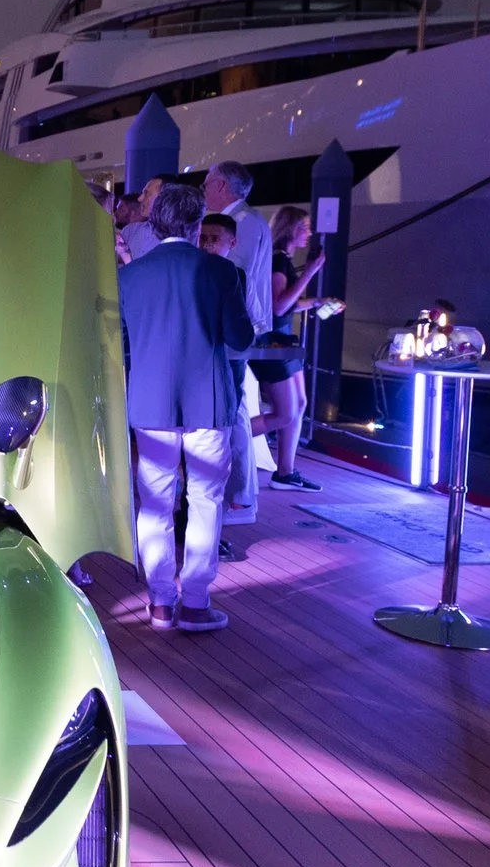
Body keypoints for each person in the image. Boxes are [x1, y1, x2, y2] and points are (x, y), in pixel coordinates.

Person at [116, 182, 254, 633]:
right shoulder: (221, 272)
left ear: (154, 225)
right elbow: (240, 339)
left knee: (153, 503)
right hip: (207, 401)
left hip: (149, 400)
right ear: (198, 224)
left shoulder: (130, 277)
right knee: (205, 500)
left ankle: (158, 602)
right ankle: (195, 602)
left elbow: (120, 343)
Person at [204, 161, 275, 541]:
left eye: (206, 184)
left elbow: (234, 272)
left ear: (220, 185)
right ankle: (239, 495)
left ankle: (238, 497)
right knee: (234, 408)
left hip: (234, 330)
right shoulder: (251, 219)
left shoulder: (242, 222)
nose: (203, 191)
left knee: (231, 411)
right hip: (238, 328)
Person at [255, 203, 330, 492]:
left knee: (298, 405)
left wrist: (319, 302)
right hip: (274, 341)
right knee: (285, 412)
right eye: (305, 227)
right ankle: (229, 438)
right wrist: (309, 273)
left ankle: (286, 472)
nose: (309, 233)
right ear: (291, 229)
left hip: (284, 339)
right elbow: (278, 306)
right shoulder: (278, 261)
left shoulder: (282, 259)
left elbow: (288, 302)